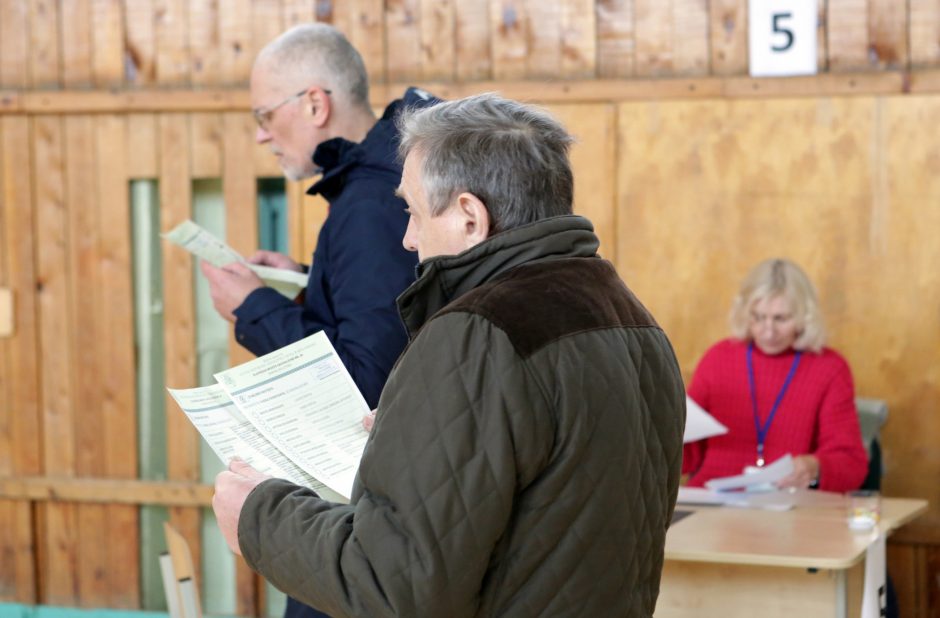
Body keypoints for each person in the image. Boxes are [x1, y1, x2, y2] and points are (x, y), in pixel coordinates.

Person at [212, 93, 686, 617]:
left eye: (412, 212)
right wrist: (414, 440)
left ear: (468, 217)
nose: (409, 240)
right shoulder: (634, 320)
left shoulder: (479, 332)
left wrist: (258, 517)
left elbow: (395, 584)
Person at [198, 24, 437, 618]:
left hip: (367, 517)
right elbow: (391, 310)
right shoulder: (387, 178)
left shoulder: (368, 204)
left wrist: (253, 309)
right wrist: (305, 280)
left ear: (314, 103)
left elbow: (360, 381)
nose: (259, 135)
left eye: (263, 115)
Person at [683, 258, 868, 491]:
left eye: (781, 318)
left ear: (804, 317)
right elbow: (685, 455)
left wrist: (815, 467)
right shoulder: (718, 358)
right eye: (758, 317)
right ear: (744, 312)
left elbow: (851, 464)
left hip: (787, 506)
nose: (768, 331)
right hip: (711, 500)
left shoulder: (830, 368)